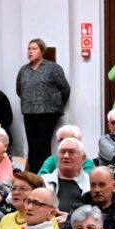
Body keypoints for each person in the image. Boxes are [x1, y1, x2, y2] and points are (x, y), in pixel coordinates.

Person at [16, 37, 71, 173]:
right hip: (29, 111)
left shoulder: (53, 68)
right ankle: (32, 174)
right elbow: (19, 90)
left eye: (34, 49)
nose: (30, 51)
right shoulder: (24, 70)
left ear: (42, 51)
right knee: (32, 145)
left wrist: (55, 103)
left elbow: (65, 89)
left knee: (43, 144)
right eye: (29, 49)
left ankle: (44, 173)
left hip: (48, 112)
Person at [41, 138, 91, 213]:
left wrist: (69, 218)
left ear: (83, 158)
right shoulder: (43, 181)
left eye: (71, 152)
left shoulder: (91, 183)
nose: (66, 156)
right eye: (62, 152)